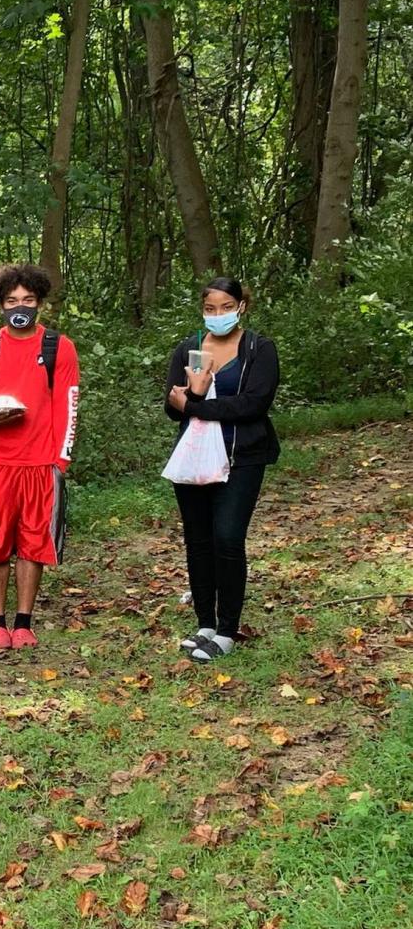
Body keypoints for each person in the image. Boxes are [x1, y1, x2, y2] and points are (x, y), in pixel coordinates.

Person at [0, 265, 80, 652]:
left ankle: (24, 622)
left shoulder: (59, 347)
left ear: (39, 303)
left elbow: (68, 404)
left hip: (42, 463)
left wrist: (60, 460)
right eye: (11, 301)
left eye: (28, 300)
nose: (20, 307)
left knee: (33, 544)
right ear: (0, 305)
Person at [166, 277, 280, 661]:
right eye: (210, 308)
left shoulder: (259, 349)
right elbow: (172, 406)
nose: (218, 315)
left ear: (241, 306)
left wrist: (195, 405)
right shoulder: (189, 348)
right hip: (195, 458)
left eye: (226, 307)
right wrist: (193, 395)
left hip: (241, 458)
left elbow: (253, 405)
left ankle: (228, 630)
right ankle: (206, 624)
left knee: (228, 538)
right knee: (198, 541)